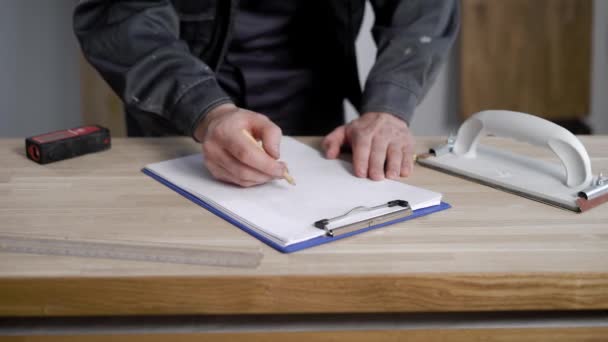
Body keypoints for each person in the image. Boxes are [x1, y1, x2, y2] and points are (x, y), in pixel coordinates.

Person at [74, 1, 459, 187]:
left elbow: (424, 9)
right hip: (178, 113)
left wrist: (388, 109)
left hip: (315, 103)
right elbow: (123, 17)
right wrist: (207, 112)